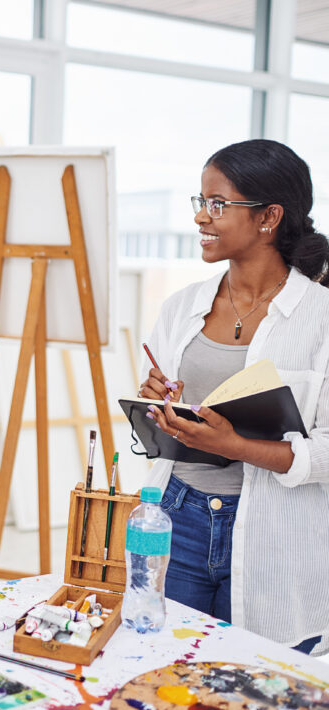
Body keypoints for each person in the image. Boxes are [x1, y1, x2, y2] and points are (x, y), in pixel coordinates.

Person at [141, 139, 329, 654]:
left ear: (270, 216)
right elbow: (157, 409)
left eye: (218, 204)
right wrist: (156, 403)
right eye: (200, 202)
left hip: (274, 528)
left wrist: (236, 446)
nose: (202, 218)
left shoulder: (322, 319)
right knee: (165, 666)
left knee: (258, 678)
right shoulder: (182, 308)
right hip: (178, 517)